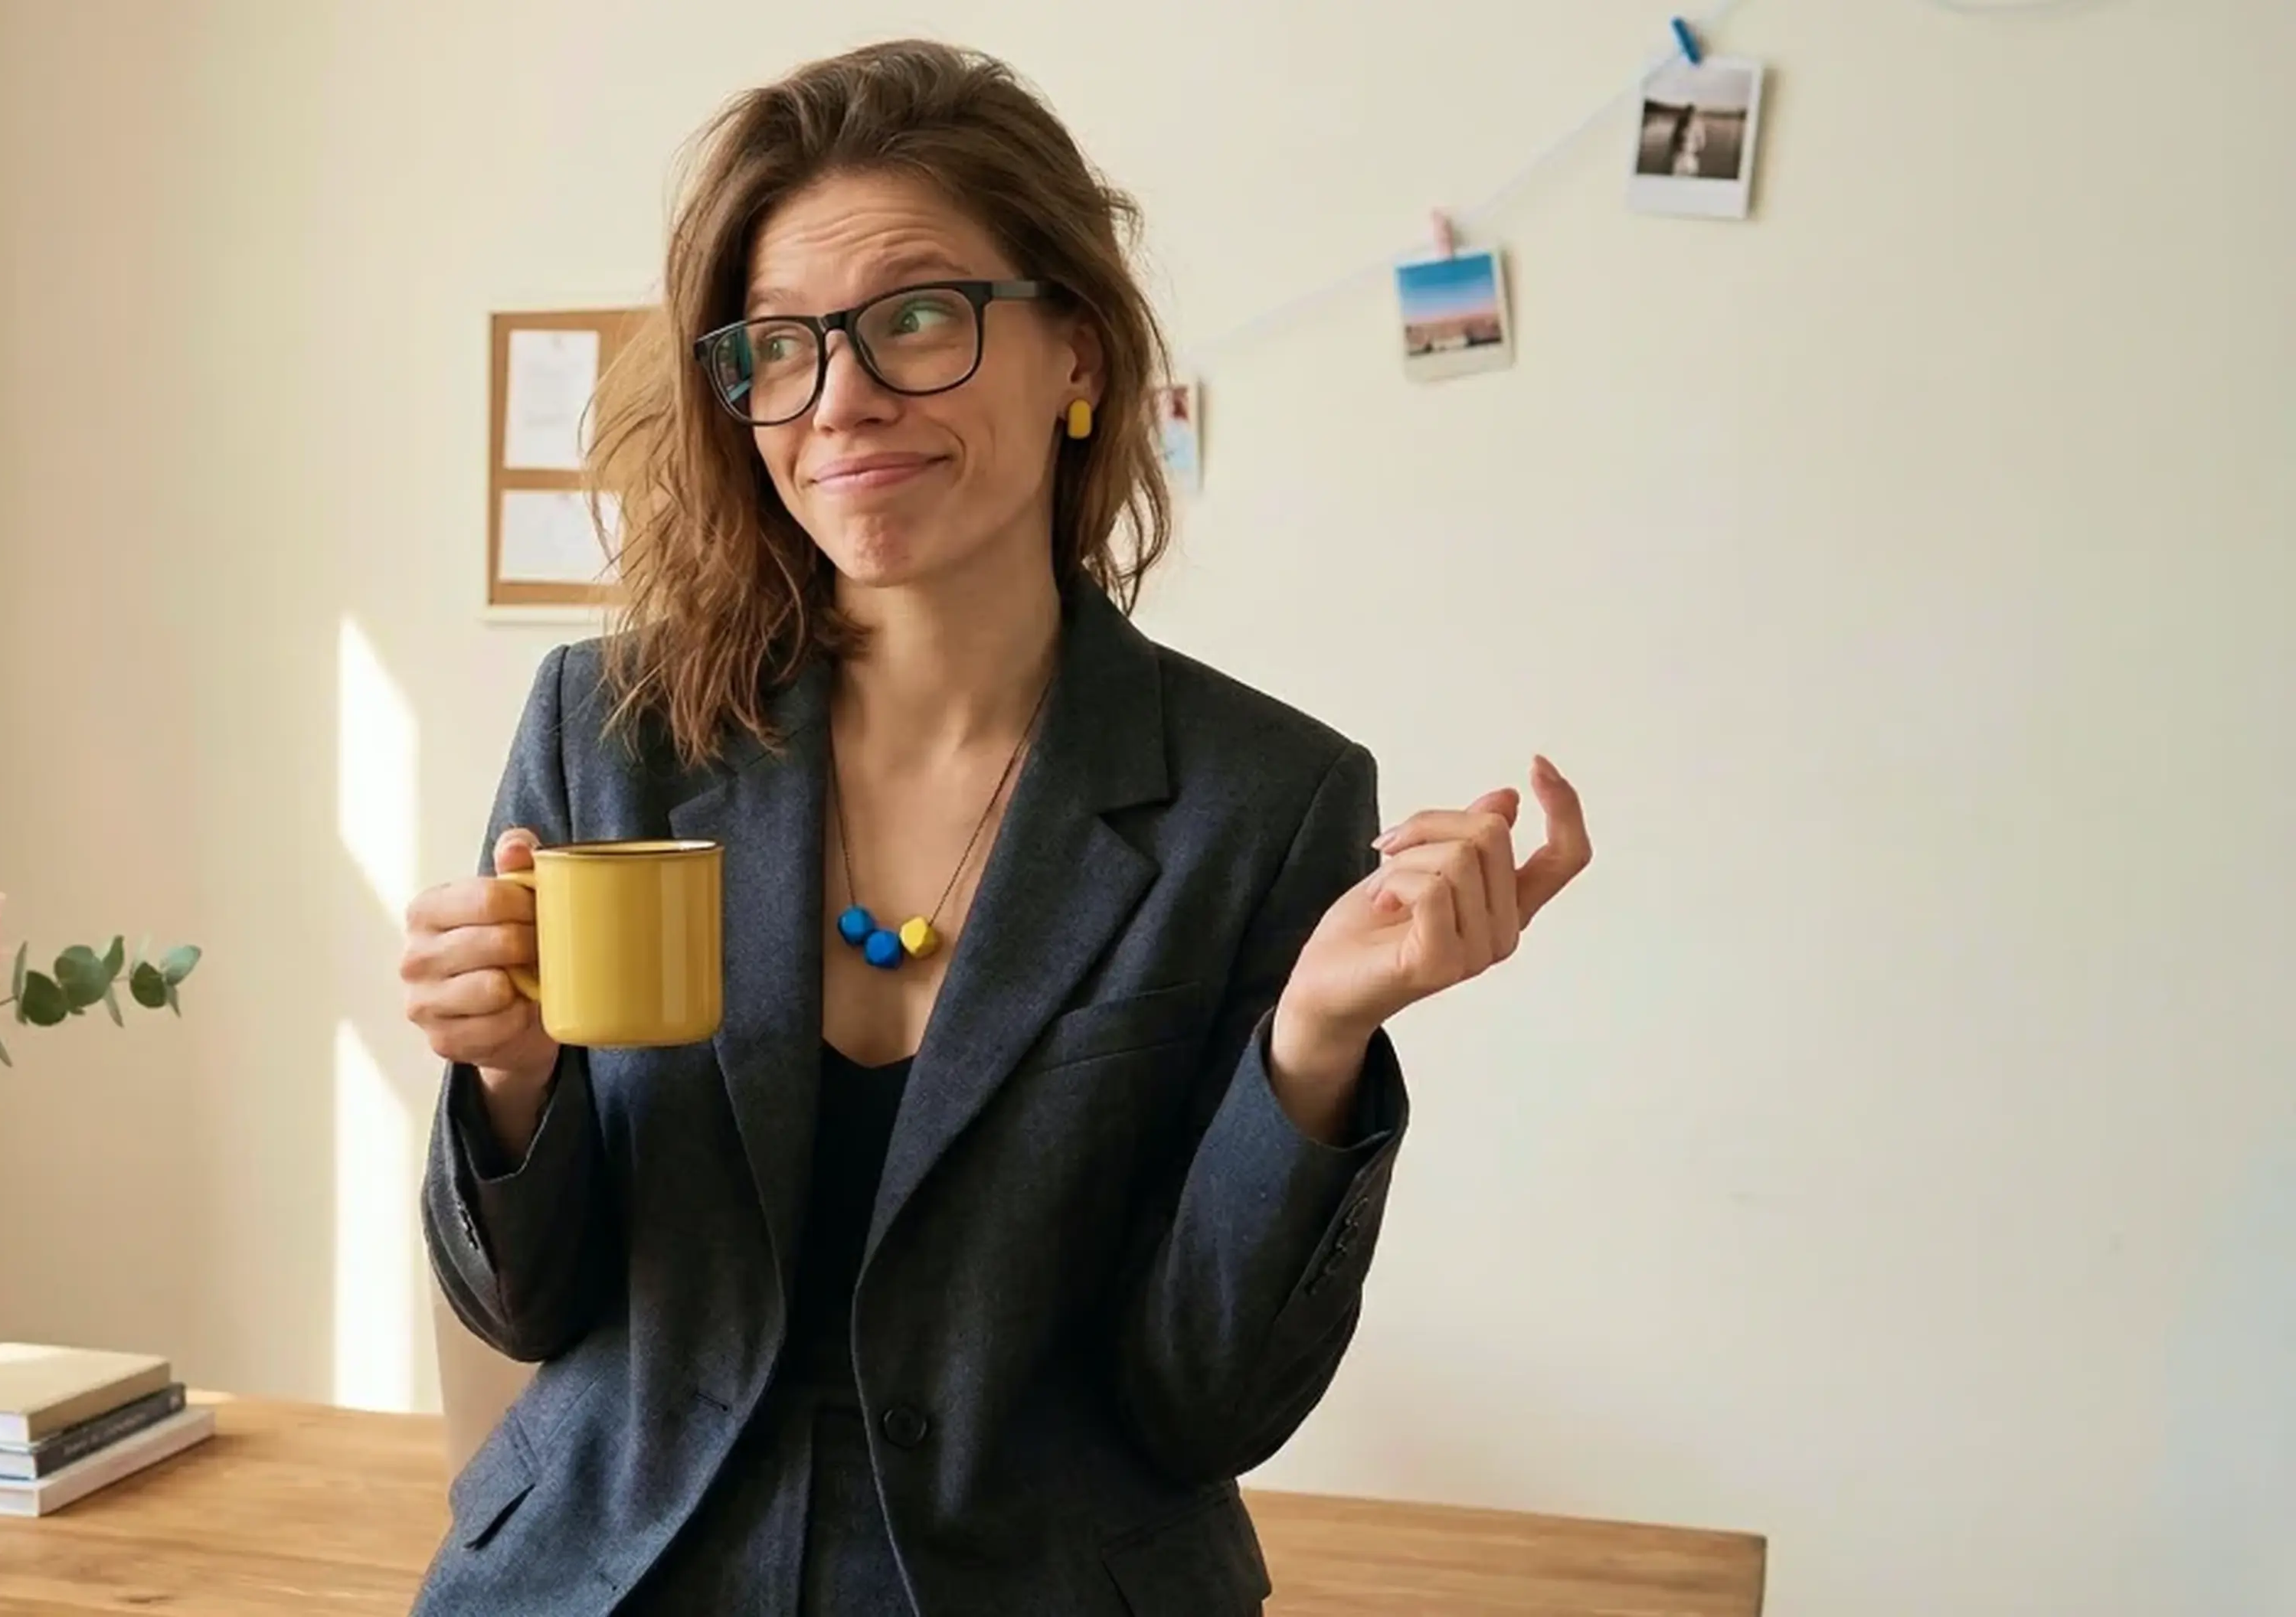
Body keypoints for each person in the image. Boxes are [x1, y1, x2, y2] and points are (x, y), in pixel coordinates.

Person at [400, 38, 1591, 1617]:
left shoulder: (1264, 799)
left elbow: (1203, 1407)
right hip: (607, 1572)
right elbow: (527, 1305)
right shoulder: (611, 728)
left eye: (915, 319)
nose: (842, 402)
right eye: (779, 346)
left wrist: (1309, 1051)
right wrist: (508, 1079)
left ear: (1080, 357)